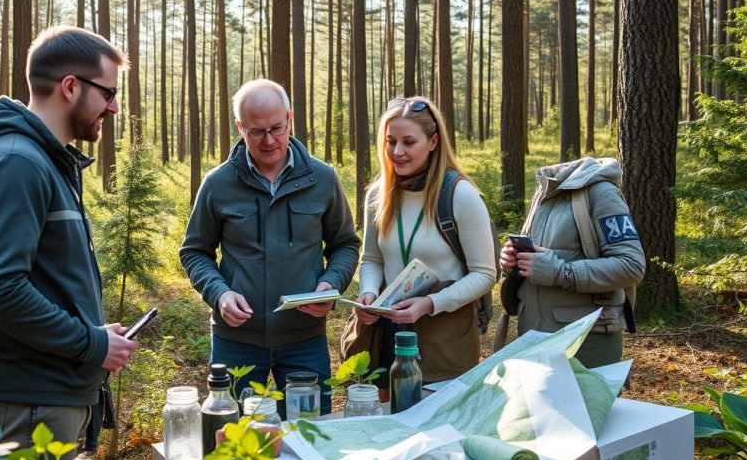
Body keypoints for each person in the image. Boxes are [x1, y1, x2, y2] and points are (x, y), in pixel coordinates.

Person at [0, 26, 140, 460]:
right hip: (22, 404)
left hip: (38, 398)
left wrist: (94, 333)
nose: (114, 107)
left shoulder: (44, 160)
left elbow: (44, 278)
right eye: (109, 92)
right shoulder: (17, 163)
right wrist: (89, 343)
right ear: (71, 86)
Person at [180, 79, 360, 415]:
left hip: (304, 339)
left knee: (311, 432)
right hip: (236, 342)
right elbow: (195, 251)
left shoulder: (322, 178)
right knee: (234, 438)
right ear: (240, 128)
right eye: (257, 131)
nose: (270, 140)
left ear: (290, 118)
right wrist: (219, 293)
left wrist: (331, 285)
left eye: (277, 128)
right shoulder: (218, 184)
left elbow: (345, 244)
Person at [349, 96, 497, 396]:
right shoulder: (378, 194)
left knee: (438, 431)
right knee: (387, 427)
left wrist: (429, 304)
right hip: (387, 334)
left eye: (408, 142)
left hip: (443, 339)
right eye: (390, 141)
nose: (397, 152)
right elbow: (372, 259)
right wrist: (368, 293)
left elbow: (485, 274)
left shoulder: (460, 194)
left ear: (433, 141)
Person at [498, 157, 645, 368]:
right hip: (533, 334)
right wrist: (513, 260)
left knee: (587, 402)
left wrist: (561, 272)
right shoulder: (545, 192)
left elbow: (631, 265)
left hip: (586, 341)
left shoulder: (602, 193)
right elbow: (543, 257)